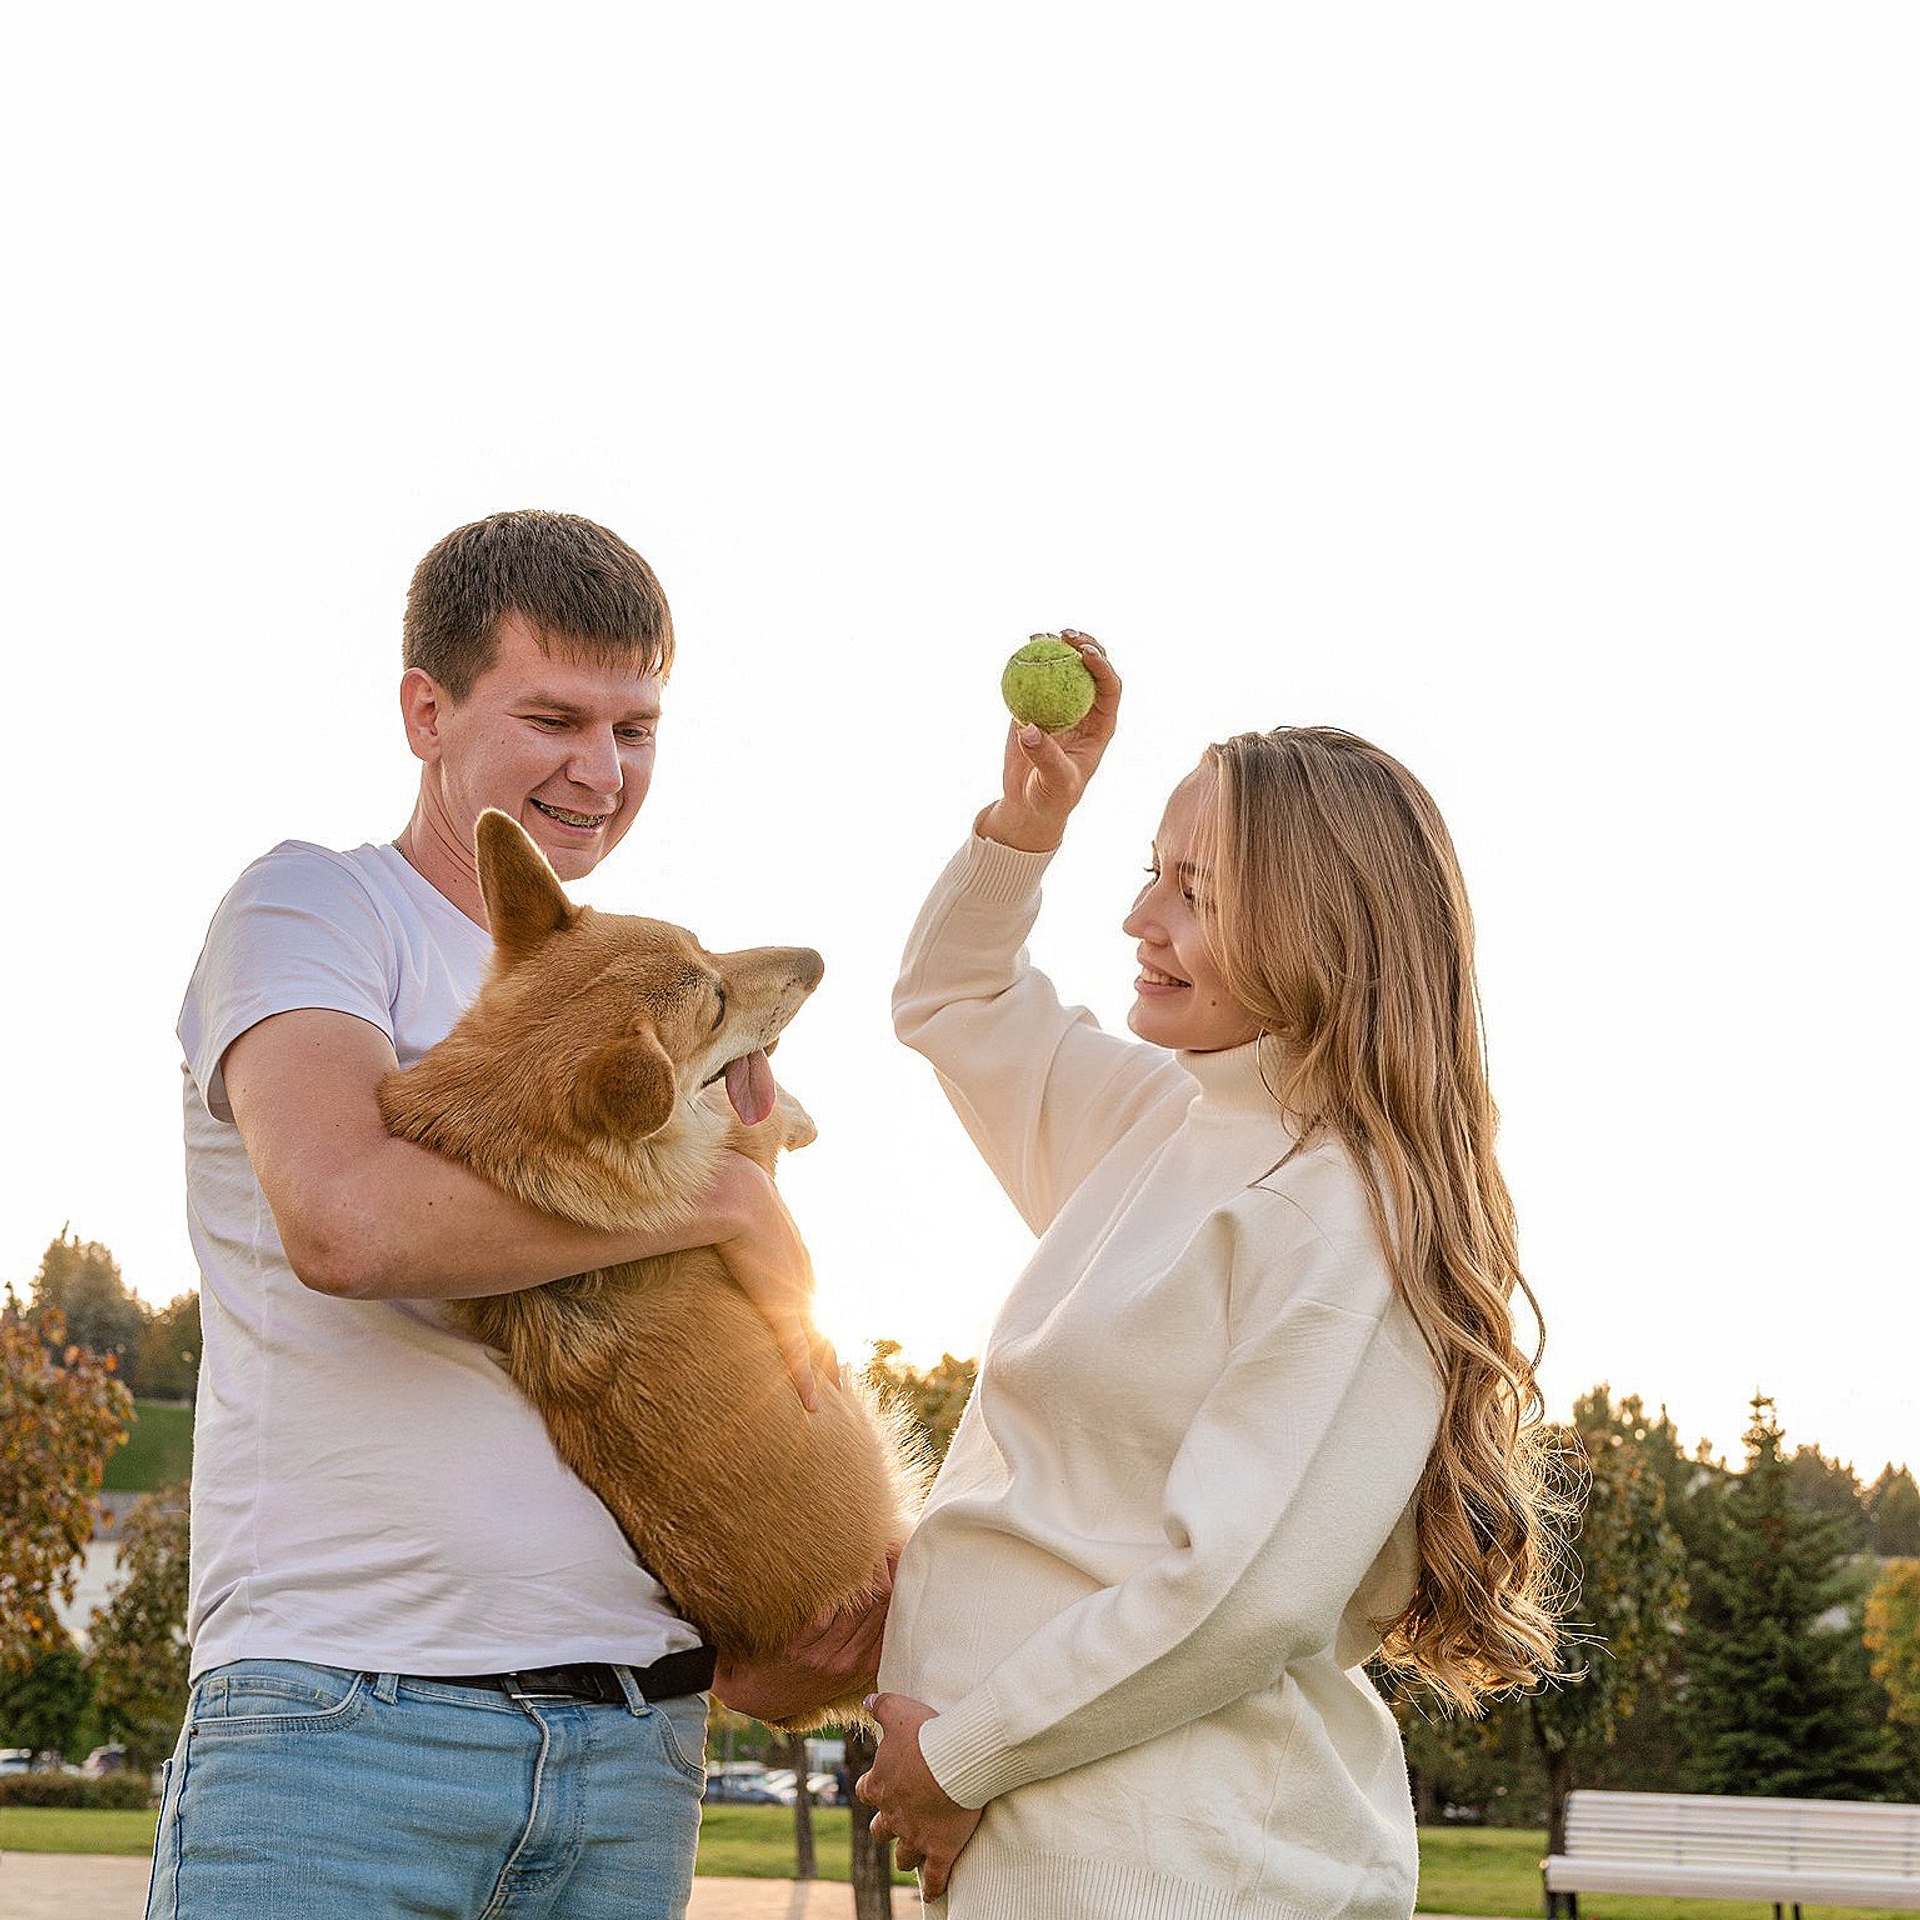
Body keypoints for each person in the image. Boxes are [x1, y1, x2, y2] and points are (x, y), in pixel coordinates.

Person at [156, 510, 881, 1920]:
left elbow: (695, 1360)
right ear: (426, 711)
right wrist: (716, 1200)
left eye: (635, 729)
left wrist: (784, 1608)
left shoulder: (630, 977)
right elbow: (350, 1224)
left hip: (634, 1744)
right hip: (346, 1725)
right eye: (553, 719)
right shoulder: (316, 909)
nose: (600, 771)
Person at [857, 634, 1563, 1917]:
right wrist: (1028, 826)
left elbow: (1240, 1598)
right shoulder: (1163, 1119)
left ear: (1319, 933)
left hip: (1182, 1866)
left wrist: (960, 1758)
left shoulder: (1342, 1210)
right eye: (1152, 873)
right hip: (1053, 1844)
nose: (1141, 920)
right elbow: (951, 1000)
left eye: (1198, 894)